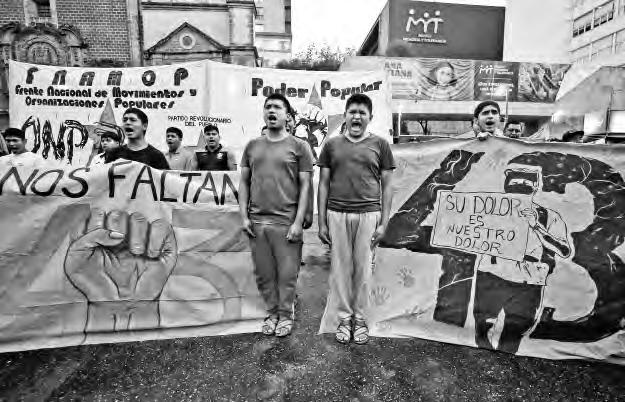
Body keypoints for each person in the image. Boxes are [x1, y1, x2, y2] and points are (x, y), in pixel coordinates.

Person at [317, 93, 395, 345]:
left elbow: (388, 186)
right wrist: (321, 222)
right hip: (336, 213)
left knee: (363, 271)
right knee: (340, 270)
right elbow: (323, 184)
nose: (357, 116)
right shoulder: (331, 145)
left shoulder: (381, 145)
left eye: (362, 112)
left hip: (369, 214)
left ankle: (360, 319)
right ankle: (344, 318)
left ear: (370, 117)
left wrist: (384, 222)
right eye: (352, 111)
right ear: (345, 115)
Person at [473, 164, 571, 354]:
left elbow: (564, 250)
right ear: (506, 185)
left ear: (535, 187)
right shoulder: (491, 210)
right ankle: (481, 357)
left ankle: (505, 361)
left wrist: (536, 226)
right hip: (492, 273)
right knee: (483, 323)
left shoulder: (549, 216)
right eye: (514, 182)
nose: (519, 186)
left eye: (526, 182)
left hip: (529, 280)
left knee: (517, 328)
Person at [239, 93, 313, 337]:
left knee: (287, 275)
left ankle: (286, 315)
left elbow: (306, 186)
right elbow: (243, 182)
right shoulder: (252, 146)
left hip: (286, 222)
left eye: (277, 107)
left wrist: (299, 222)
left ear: (287, 116)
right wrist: (244, 216)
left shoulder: (300, 147)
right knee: (264, 275)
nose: (271, 111)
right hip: (257, 222)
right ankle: (272, 313)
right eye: (268, 107)